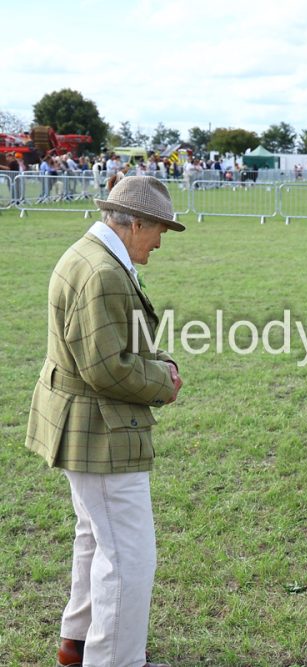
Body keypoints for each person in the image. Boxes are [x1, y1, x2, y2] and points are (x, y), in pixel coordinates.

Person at [25, 174, 186, 666]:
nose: (159, 242)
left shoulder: (94, 257)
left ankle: (78, 643)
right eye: (158, 230)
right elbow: (106, 367)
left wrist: (158, 361)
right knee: (129, 556)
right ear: (135, 223)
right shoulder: (102, 271)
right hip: (101, 431)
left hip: (86, 425)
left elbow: (114, 341)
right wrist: (163, 382)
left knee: (97, 538)